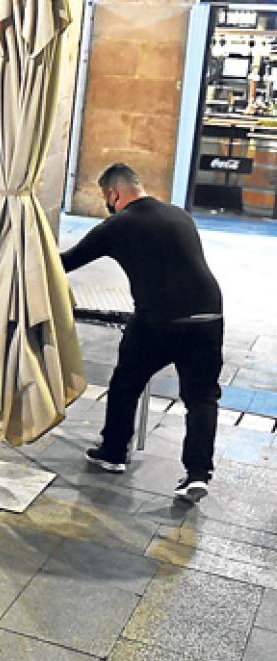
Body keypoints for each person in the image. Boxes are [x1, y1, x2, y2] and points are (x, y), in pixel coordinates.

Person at [60, 163, 224, 503]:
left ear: (113, 194)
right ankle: (197, 475)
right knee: (202, 398)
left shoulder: (118, 224)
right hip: (208, 314)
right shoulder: (179, 214)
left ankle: (114, 452)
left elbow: (65, 263)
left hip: (159, 319)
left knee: (126, 383)